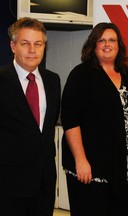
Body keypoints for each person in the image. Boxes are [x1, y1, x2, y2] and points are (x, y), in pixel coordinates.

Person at [61, 22, 128, 216]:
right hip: (91, 170)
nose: (107, 44)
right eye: (101, 40)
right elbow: (70, 120)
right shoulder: (81, 75)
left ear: (119, 45)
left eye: (112, 40)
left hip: (125, 170)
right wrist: (80, 159)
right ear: (93, 45)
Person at [0, 17, 61, 216]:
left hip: (44, 181)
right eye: (25, 44)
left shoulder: (53, 80)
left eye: (38, 44)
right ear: (12, 46)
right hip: (8, 183)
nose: (32, 50)